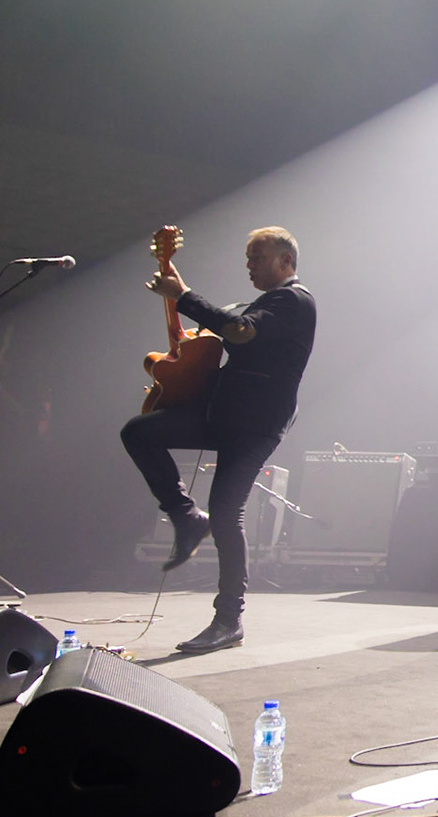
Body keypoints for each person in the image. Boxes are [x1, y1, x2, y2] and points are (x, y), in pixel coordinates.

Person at [121, 227, 316, 653]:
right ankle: (187, 515)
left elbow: (241, 332)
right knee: (140, 431)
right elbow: (227, 337)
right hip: (222, 415)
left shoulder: (294, 301)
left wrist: (185, 296)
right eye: (247, 258)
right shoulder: (264, 303)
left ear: (285, 262)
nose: (249, 266)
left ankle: (228, 620)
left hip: (256, 425)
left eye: (257, 258)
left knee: (228, 510)